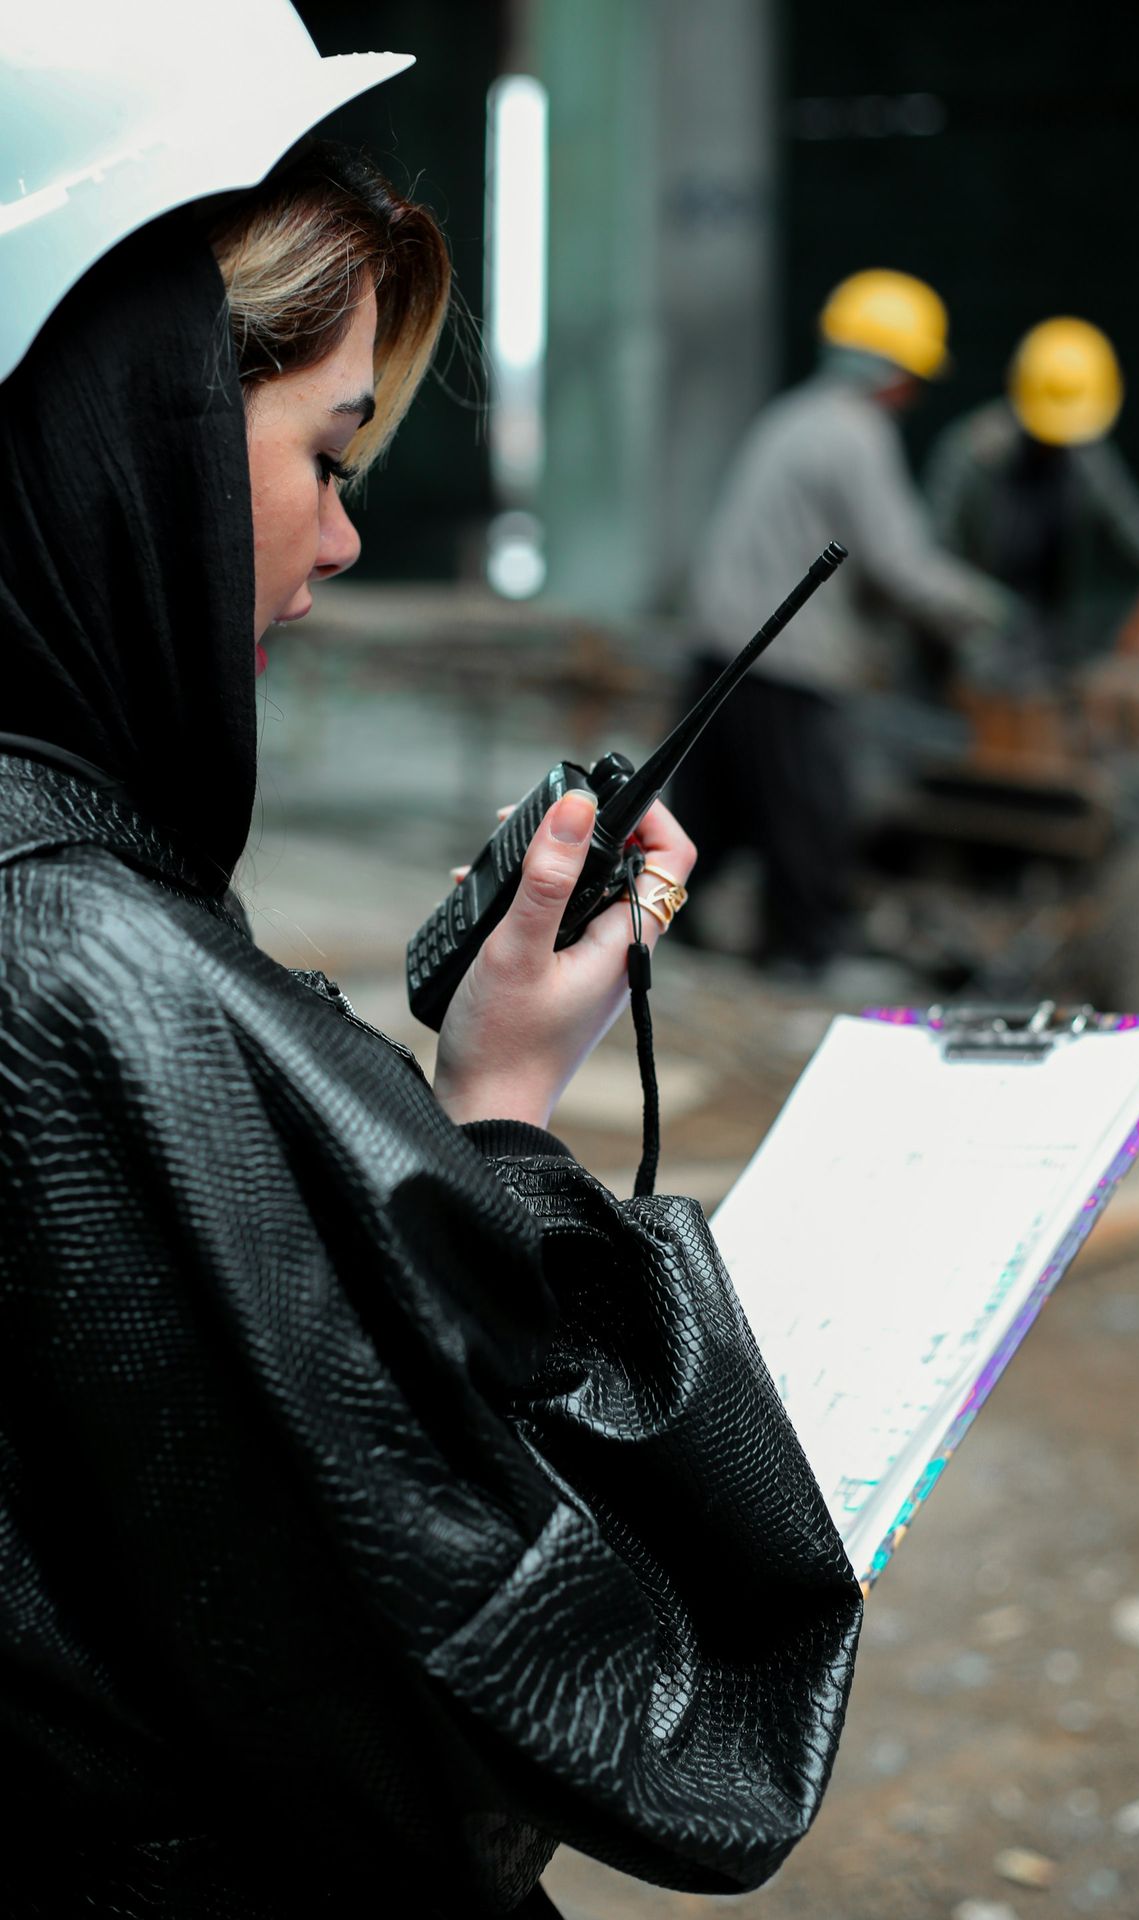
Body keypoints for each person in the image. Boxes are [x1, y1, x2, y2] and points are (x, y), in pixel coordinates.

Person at [0, 6, 861, 1916]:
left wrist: (468, 1093)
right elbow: (637, 1724)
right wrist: (514, 1165)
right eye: (325, 448)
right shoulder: (85, 980)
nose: (342, 535)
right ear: (118, 427)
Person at [674, 268, 1016, 980]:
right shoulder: (857, 435)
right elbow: (900, 565)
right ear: (892, 371)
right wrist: (986, 609)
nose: (915, 391)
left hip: (720, 647)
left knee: (707, 823)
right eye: (915, 373)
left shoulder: (795, 415)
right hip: (787, 663)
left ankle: (667, 944)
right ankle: (804, 963)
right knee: (809, 827)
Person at [925, 317, 1139, 671]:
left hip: (1051, 638)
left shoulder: (1085, 454)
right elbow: (935, 554)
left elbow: (1134, 527)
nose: (1059, 439)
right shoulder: (972, 453)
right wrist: (982, 608)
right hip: (968, 640)